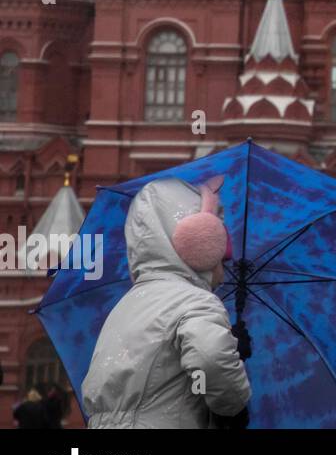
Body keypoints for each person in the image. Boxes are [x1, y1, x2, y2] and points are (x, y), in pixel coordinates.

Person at [81, 177, 252, 429]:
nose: (224, 271)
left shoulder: (125, 307)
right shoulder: (195, 300)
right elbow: (211, 358)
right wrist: (233, 405)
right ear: (199, 244)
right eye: (221, 258)